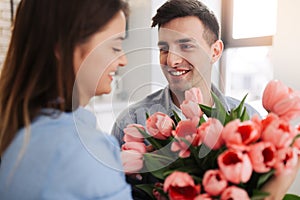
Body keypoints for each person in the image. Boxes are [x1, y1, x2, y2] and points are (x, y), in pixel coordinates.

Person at [111, 0, 300, 199]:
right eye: (164, 49)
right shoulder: (131, 123)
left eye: (186, 46)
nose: (171, 61)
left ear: (216, 51)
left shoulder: (248, 125)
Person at [0, 0, 133, 199]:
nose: (124, 60)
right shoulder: (79, 150)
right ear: (64, 47)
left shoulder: (20, 131)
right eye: (115, 47)